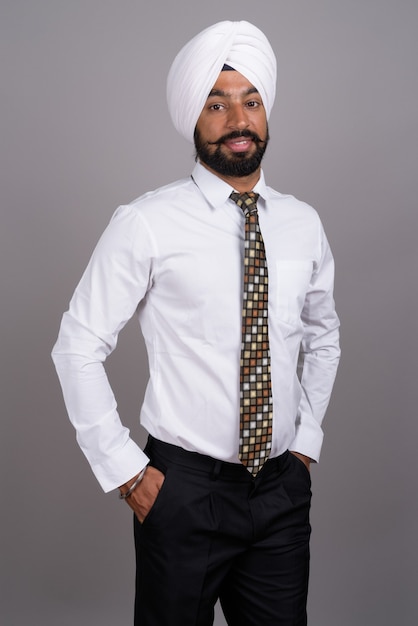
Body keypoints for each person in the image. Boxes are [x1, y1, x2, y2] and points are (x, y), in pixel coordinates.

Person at [52, 20, 340, 626]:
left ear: (267, 112)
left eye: (251, 100)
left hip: (280, 493)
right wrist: (126, 472)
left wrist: (306, 443)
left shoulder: (302, 223)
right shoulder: (146, 222)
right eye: (217, 103)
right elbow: (77, 344)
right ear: (194, 117)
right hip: (183, 492)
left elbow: (323, 336)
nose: (238, 119)